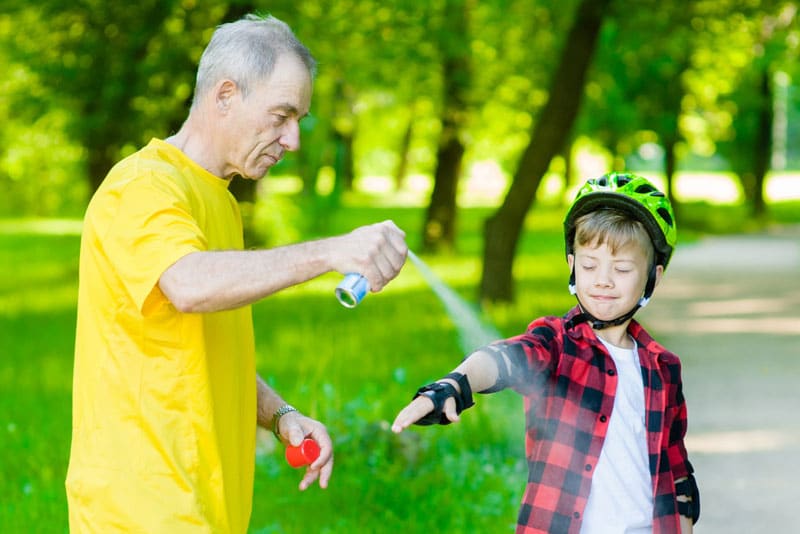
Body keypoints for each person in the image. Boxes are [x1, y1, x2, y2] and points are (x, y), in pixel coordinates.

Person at [66, 14, 407, 533]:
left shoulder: (218, 202)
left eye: (299, 120)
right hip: (143, 510)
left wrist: (279, 415)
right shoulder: (140, 188)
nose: (291, 139)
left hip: (204, 507)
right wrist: (330, 252)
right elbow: (188, 284)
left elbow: (201, 347)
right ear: (225, 95)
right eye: (281, 116)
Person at [392, 172, 699, 533]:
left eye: (622, 269)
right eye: (589, 265)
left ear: (653, 276)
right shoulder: (557, 345)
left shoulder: (663, 368)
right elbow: (506, 358)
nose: (603, 279)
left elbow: (677, 473)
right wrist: (456, 384)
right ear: (571, 266)